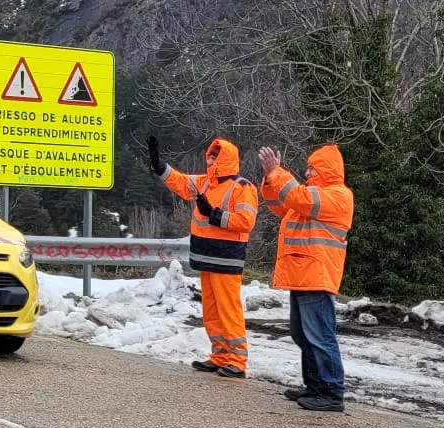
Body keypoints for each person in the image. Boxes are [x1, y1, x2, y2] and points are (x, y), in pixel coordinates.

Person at [148, 135, 259, 379]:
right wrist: (160, 167)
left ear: (225, 159)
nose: (210, 159)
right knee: (211, 309)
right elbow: (181, 182)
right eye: (210, 155)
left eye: (215, 155)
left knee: (228, 309)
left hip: (226, 258)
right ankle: (219, 355)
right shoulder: (206, 183)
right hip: (207, 256)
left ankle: (237, 360)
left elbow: (246, 222)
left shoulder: (242, 187)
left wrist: (214, 214)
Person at [258, 142, 355, 413]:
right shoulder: (312, 194)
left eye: (313, 166)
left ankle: (332, 391)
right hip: (302, 273)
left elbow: (298, 198)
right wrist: (269, 176)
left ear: (326, 168)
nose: (309, 170)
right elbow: (280, 203)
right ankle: (314, 386)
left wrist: (277, 172)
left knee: (320, 335)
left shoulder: (338, 195)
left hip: (316, 274)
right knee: (302, 334)